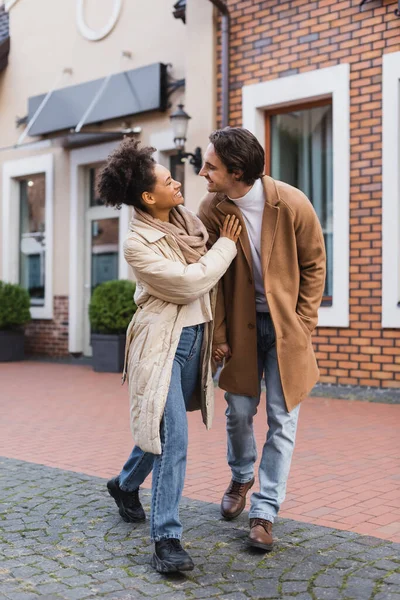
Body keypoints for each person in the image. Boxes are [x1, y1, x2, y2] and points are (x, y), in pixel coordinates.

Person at [97, 138, 241, 573]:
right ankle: (166, 539)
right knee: (174, 439)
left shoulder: (188, 223)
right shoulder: (138, 243)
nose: (177, 181)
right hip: (161, 348)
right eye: (166, 180)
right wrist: (225, 248)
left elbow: (206, 288)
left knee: (160, 430)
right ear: (147, 197)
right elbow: (188, 282)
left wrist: (215, 335)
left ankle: (124, 485)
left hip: (195, 341)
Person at [197, 127, 326, 551]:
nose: (203, 172)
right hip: (239, 327)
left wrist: (303, 324)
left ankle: (264, 511)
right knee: (237, 409)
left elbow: (314, 266)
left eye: (211, 166)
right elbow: (209, 277)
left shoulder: (290, 202)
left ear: (237, 171)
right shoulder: (212, 209)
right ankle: (240, 475)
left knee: (282, 418)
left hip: (286, 328)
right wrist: (218, 333)